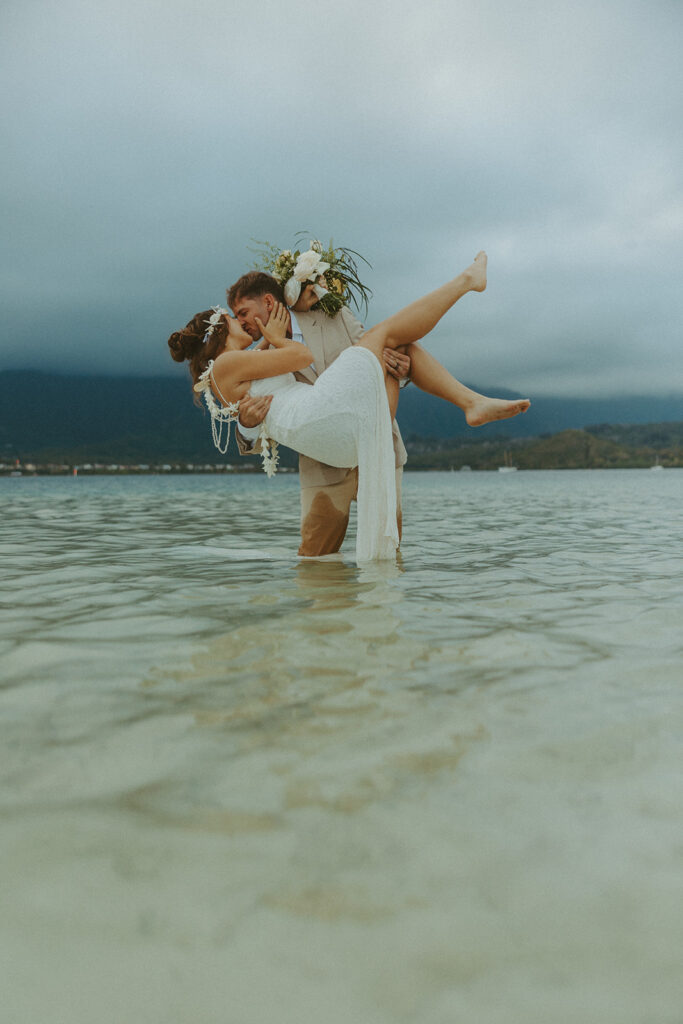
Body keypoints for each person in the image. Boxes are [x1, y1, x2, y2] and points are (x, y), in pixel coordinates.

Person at [168, 252, 530, 562]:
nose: (243, 321)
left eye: (243, 311)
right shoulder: (249, 357)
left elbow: (377, 357)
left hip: (367, 435)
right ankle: (466, 290)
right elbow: (285, 374)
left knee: (389, 557)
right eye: (234, 317)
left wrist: (402, 373)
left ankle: (472, 402)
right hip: (325, 452)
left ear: (269, 301)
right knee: (315, 563)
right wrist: (247, 424)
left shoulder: (329, 315)